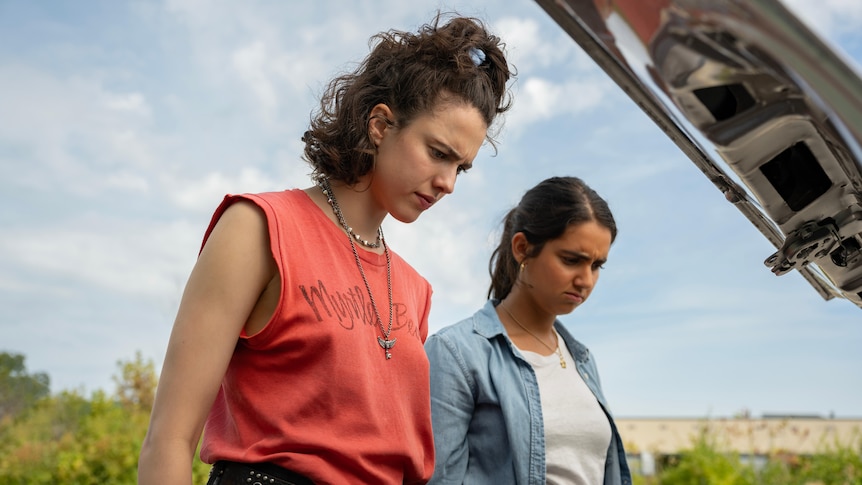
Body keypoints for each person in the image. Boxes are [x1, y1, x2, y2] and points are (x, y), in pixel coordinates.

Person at [138, 12, 514, 485]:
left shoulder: (415, 290)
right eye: (439, 153)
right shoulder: (258, 229)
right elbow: (168, 441)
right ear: (381, 124)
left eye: (463, 167)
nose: (448, 183)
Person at [425, 176, 632, 485]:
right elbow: (439, 478)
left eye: (597, 265)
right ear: (522, 248)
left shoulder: (582, 361)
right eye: (571, 260)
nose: (585, 280)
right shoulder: (456, 353)